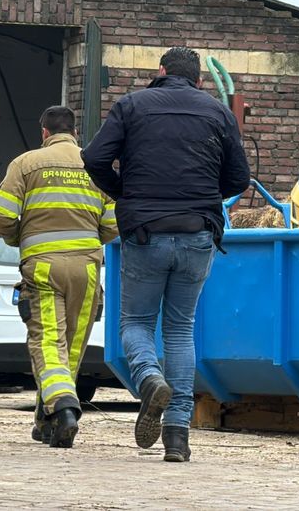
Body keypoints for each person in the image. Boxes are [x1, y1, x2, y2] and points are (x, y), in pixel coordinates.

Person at [82, 47, 249, 462]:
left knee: (136, 322)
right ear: (199, 80)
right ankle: (177, 436)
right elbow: (239, 178)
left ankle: (149, 378)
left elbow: (95, 158)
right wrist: (204, 198)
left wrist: (127, 194)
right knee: (180, 329)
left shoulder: (132, 106)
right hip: (197, 234)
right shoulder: (217, 112)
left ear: (160, 72)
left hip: (145, 233)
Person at [0, 106, 118, 448]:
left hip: (43, 266)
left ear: (44, 132)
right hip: (87, 269)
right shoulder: (96, 165)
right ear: (75, 133)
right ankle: (49, 420)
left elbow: (1, 213)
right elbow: (113, 224)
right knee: (71, 350)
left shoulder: (26, 163)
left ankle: (61, 408)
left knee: (48, 344)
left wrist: (21, 238)